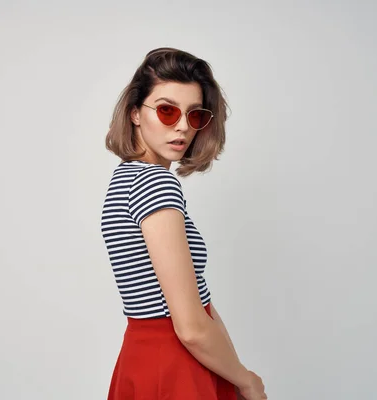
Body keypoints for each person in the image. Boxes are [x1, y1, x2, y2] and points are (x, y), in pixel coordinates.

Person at [100, 47, 268, 400]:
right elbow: (190, 327)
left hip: (146, 359)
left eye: (195, 115)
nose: (181, 126)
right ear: (134, 113)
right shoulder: (154, 183)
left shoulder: (124, 179)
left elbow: (201, 301)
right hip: (176, 363)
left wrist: (231, 370)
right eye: (166, 110)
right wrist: (247, 379)